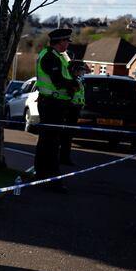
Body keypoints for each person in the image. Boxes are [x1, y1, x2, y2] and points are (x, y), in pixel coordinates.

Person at [34, 28, 80, 193]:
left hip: (51, 103)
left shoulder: (54, 56)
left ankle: (40, 175)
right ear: (60, 42)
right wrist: (73, 84)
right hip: (52, 104)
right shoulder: (50, 57)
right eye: (66, 41)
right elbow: (59, 82)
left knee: (46, 141)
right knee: (52, 143)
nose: (68, 43)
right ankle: (53, 181)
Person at [60, 60, 88, 166]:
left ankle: (64, 158)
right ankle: (63, 159)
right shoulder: (71, 80)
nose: (82, 72)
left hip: (75, 110)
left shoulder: (77, 80)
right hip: (69, 110)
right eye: (80, 70)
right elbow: (67, 95)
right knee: (66, 136)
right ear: (74, 70)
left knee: (68, 136)